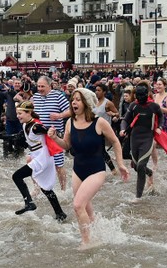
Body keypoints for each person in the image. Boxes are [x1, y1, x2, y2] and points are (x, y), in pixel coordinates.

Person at [48, 88, 129, 249]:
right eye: (73, 100)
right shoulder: (70, 122)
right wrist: (54, 138)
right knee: (85, 208)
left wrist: (120, 164)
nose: (74, 102)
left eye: (78, 99)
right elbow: (66, 145)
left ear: (86, 102)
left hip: (96, 170)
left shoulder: (99, 122)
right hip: (78, 170)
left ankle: (86, 242)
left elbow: (115, 141)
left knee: (78, 205)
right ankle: (99, 233)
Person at [11, 101, 68, 221]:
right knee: (45, 188)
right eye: (17, 113)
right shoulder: (25, 124)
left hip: (43, 158)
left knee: (16, 176)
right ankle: (60, 214)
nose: (18, 116)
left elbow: (49, 131)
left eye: (20, 113)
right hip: (38, 157)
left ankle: (29, 203)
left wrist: (56, 133)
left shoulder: (35, 127)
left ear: (29, 113)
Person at [121, 81, 162, 198]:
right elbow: (125, 120)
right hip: (134, 138)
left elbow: (161, 116)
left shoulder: (154, 106)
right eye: (138, 96)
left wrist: (159, 127)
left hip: (147, 138)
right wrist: (122, 129)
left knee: (140, 166)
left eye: (142, 96)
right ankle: (149, 172)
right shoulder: (133, 106)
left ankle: (138, 197)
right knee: (136, 166)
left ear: (147, 94)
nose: (140, 98)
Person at [32, 76, 71, 190]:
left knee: (58, 164)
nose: (39, 89)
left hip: (54, 136)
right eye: (38, 86)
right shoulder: (35, 96)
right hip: (39, 137)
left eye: (42, 86)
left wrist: (60, 115)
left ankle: (63, 189)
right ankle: (37, 189)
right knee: (34, 162)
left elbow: (71, 111)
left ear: (50, 86)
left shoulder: (58, 96)